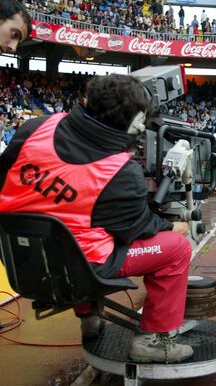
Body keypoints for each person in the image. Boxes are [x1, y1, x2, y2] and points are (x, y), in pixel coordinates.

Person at [0, 74, 193, 364]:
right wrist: (173, 227)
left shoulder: (35, 127)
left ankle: (89, 318)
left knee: (80, 232)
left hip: (20, 258)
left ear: (88, 101)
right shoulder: (120, 172)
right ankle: (153, 339)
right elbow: (136, 230)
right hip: (81, 270)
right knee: (176, 248)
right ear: (135, 123)